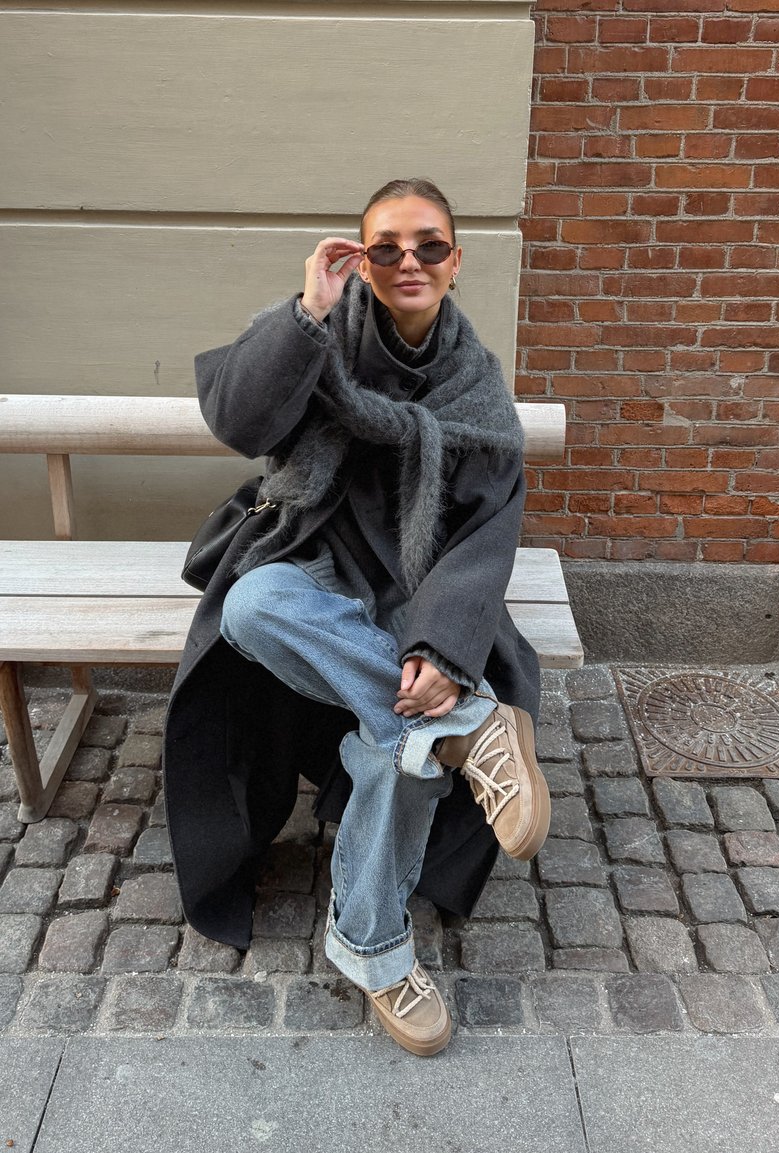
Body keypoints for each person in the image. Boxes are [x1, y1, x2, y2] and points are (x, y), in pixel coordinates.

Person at [163, 178, 550, 1057]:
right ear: (362, 260)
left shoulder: (477, 388)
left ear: (456, 260)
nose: (408, 261)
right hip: (309, 570)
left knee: (399, 741)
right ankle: (474, 730)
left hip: (414, 594)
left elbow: (488, 535)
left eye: (428, 245)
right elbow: (237, 416)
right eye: (387, 247)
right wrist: (304, 311)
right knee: (251, 603)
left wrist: (445, 644)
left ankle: (373, 949)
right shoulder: (318, 336)